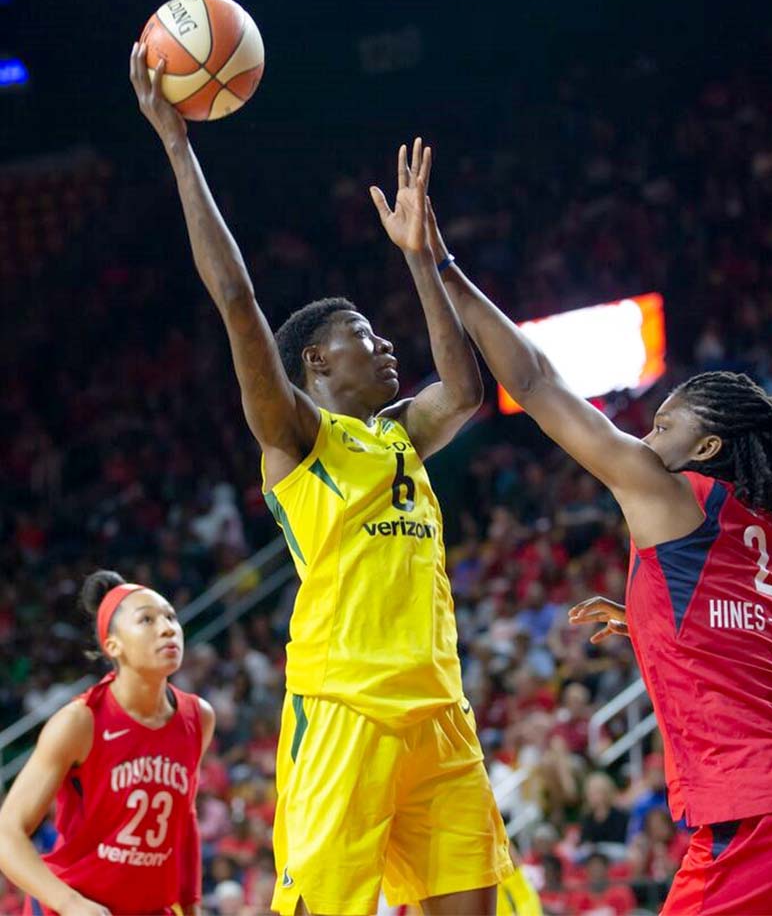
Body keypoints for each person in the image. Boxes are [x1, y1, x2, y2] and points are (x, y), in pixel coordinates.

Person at [427, 198, 772, 912]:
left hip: (769, 816)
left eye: (666, 423)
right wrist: (656, 618)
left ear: (706, 450)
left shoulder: (671, 494)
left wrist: (445, 269)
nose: (648, 434)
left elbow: (536, 384)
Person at [130, 45, 512, 916]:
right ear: (314, 360)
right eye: (364, 336)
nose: (386, 347)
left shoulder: (403, 434)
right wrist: (179, 148)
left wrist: (424, 258)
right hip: (345, 710)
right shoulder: (298, 438)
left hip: (440, 714)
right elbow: (236, 301)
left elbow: (464, 390)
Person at [0, 570, 215, 915]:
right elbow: (7, 832)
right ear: (112, 645)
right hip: (73, 904)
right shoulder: (79, 722)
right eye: (147, 620)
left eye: (171, 617)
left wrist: (191, 907)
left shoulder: (198, 717)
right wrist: (71, 904)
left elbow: (183, 821)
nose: (167, 628)